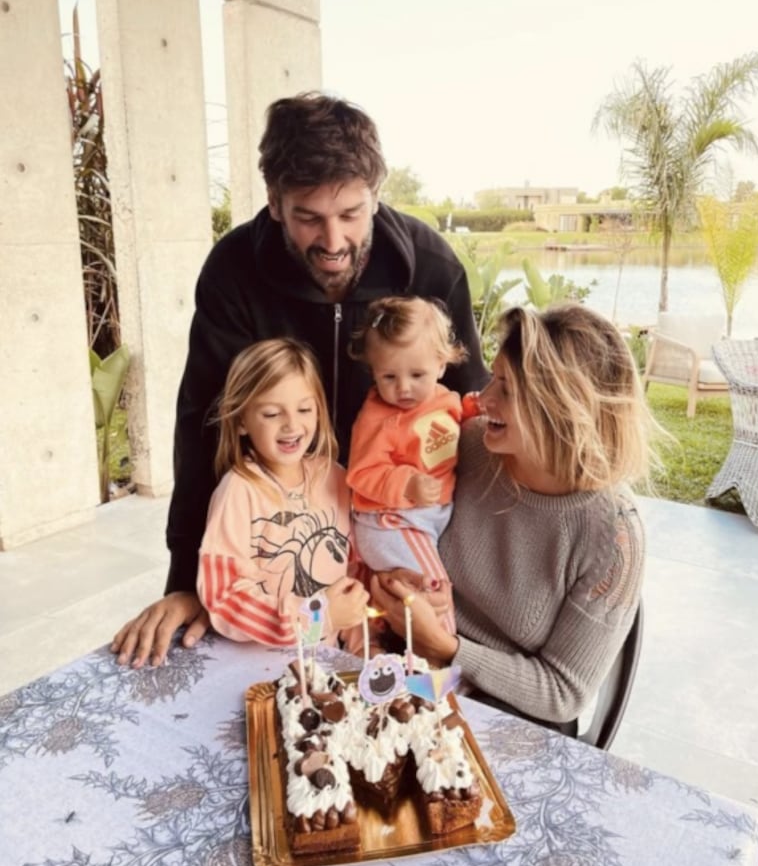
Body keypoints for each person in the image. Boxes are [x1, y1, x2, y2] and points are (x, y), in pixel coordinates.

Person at [111, 92, 487, 668]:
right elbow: (202, 423)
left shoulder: (432, 268)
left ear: (376, 195)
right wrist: (188, 578)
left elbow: (473, 419)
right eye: (309, 217)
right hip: (282, 550)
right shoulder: (233, 270)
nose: (334, 242)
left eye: (351, 214)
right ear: (274, 202)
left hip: (403, 530)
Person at [370, 304, 655, 733]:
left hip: (515, 714)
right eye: (493, 378)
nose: (483, 400)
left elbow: (563, 693)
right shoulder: (463, 446)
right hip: (416, 662)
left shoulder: (615, 537)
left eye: (506, 388)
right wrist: (393, 581)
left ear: (561, 409)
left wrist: (448, 646)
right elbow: (393, 527)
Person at [196, 338, 368, 649]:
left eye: (304, 409)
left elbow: (355, 573)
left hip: (327, 667)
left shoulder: (337, 478)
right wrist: (317, 619)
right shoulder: (238, 491)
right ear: (240, 421)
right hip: (261, 667)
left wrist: (362, 649)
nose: (292, 425)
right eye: (273, 414)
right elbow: (223, 594)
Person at [346, 295, 479, 638]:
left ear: (441, 365)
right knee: (434, 590)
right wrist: (407, 484)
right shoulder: (377, 418)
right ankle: (445, 663)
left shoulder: (444, 398)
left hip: (425, 520)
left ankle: (377, 649)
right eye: (388, 376)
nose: (403, 387)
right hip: (391, 521)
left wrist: (475, 414)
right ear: (372, 370)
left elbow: (450, 428)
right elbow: (361, 474)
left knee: (401, 598)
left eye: (417, 374)